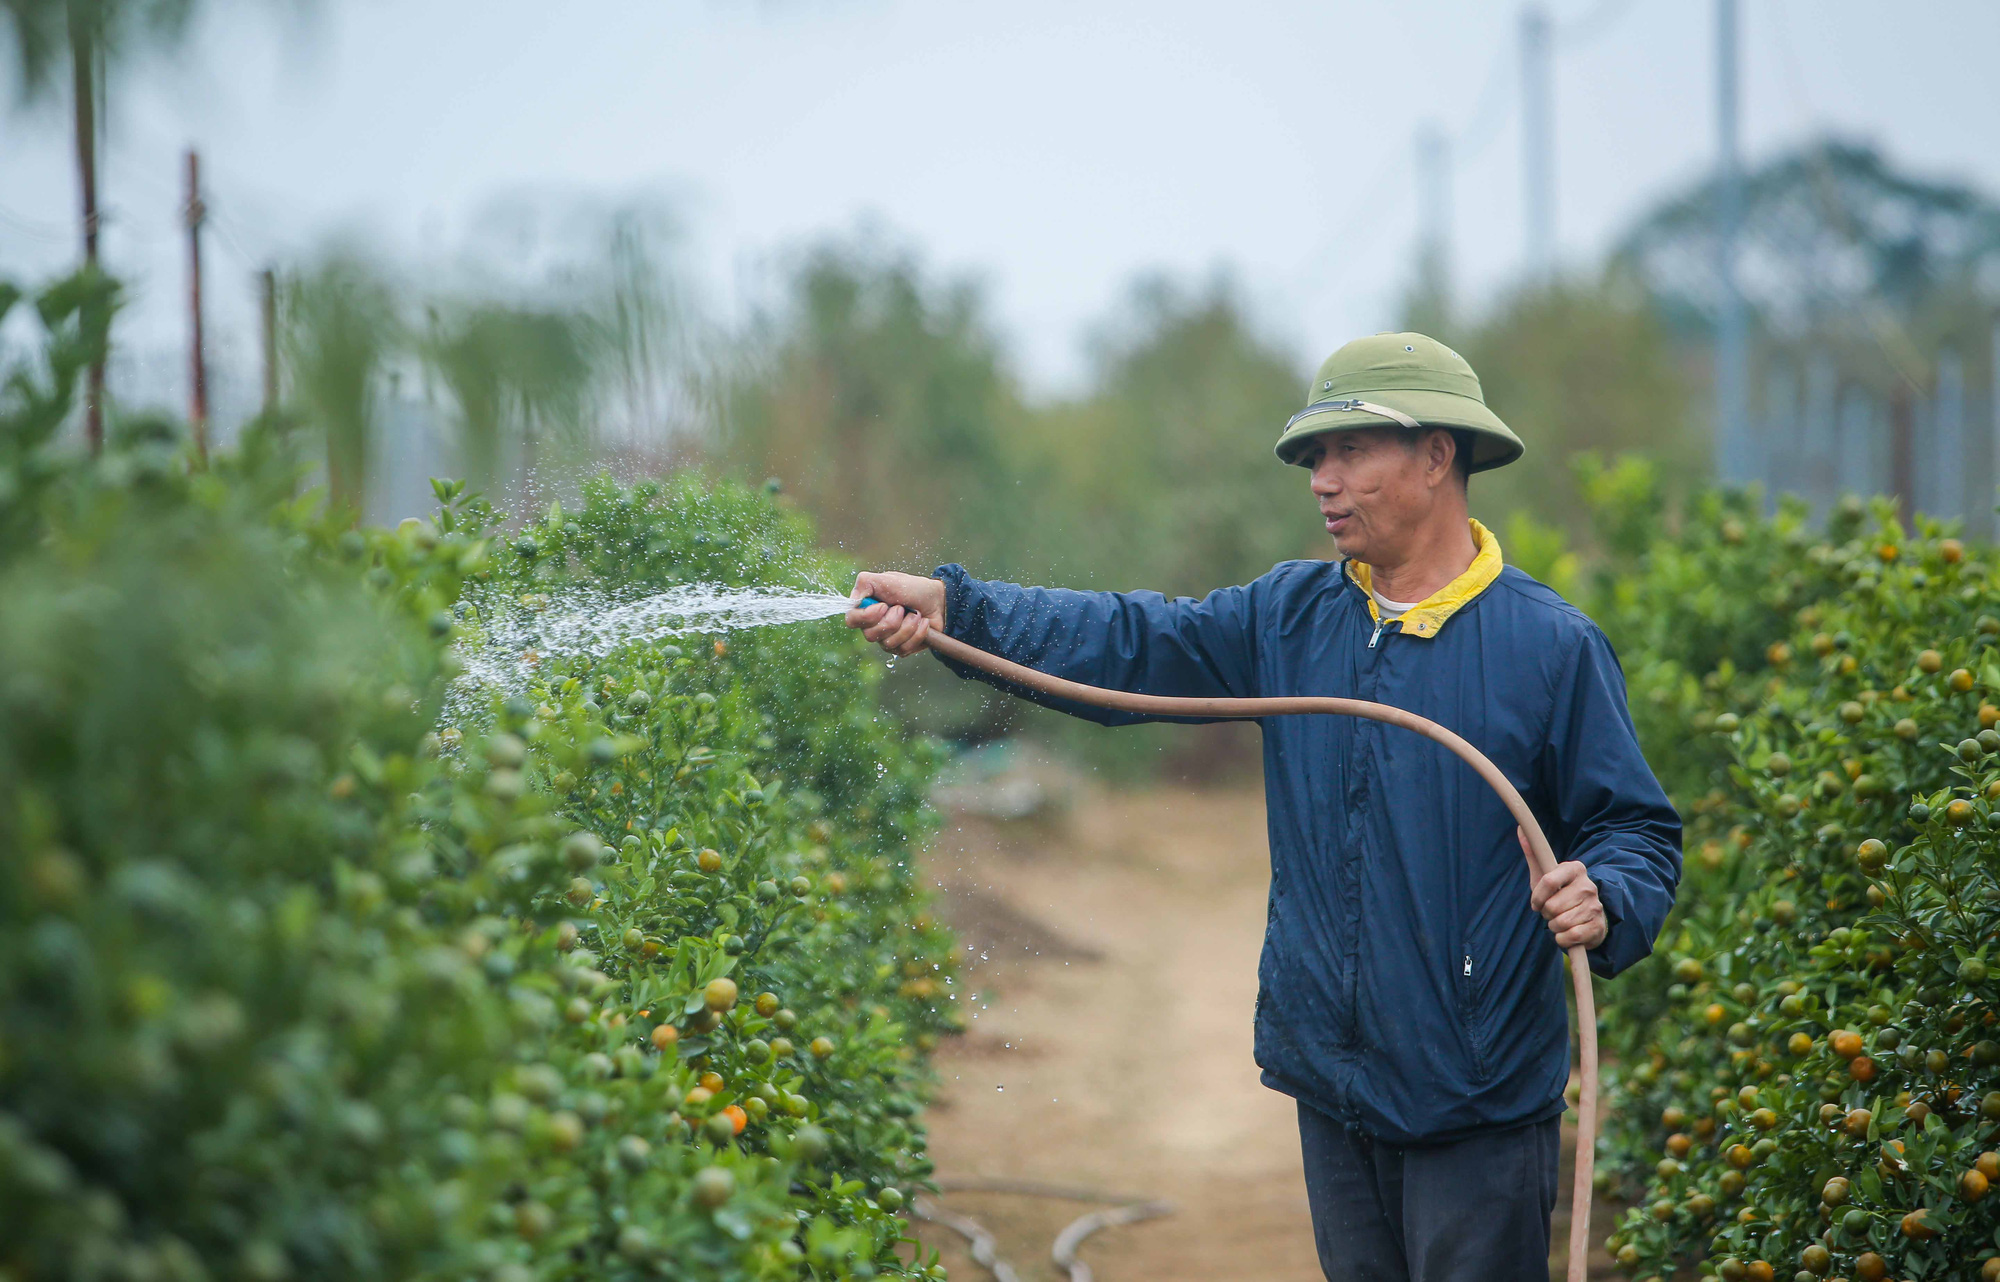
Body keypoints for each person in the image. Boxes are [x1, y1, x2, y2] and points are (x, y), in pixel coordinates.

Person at [844, 332, 1681, 1282]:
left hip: (1476, 1102)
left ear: (1439, 455)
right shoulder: (1293, 617)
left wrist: (1605, 892)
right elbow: (1128, 641)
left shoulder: (1549, 647)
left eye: (1351, 451)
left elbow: (1636, 829)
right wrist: (961, 612)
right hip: (1334, 1083)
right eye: (1314, 457)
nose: (1323, 480)